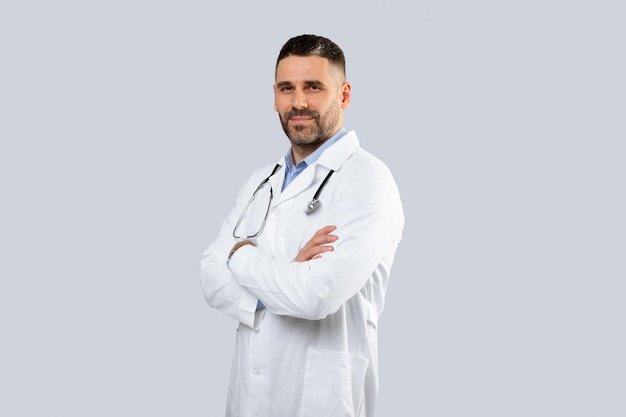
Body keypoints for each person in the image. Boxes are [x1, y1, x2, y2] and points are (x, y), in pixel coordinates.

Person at [199, 34, 404, 417]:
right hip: (247, 398)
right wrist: (289, 274)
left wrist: (242, 257)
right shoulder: (262, 181)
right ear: (274, 95)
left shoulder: (367, 181)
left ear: (343, 95)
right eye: (286, 88)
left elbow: (316, 296)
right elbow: (209, 275)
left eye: (313, 87)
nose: (298, 103)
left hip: (321, 399)